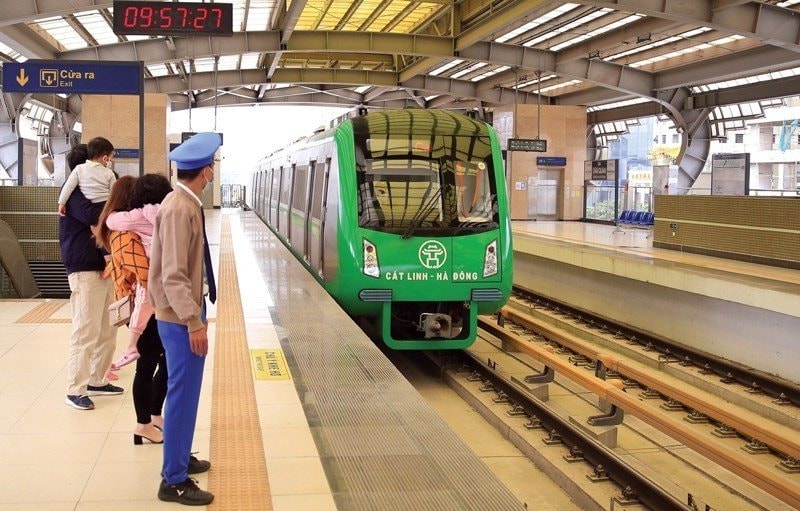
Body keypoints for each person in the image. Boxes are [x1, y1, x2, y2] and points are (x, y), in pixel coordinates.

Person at [150, 132, 220, 506]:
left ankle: (180, 458)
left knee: (187, 392)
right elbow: (173, 275)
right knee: (182, 393)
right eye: (214, 167)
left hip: (183, 313)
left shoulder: (183, 203)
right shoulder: (180, 209)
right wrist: (193, 322)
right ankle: (172, 480)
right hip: (179, 318)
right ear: (206, 171)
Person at [94, 174, 173, 446]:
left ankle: (153, 415)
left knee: (162, 362)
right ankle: (143, 424)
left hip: (149, 303)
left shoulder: (128, 227)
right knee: (148, 364)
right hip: (147, 304)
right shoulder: (125, 234)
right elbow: (143, 273)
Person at [60, 143, 123, 411]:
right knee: (86, 329)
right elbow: (92, 215)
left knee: (108, 327)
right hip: (84, 266)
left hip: (106, 265)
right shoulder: (75, 192)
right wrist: (116, 207)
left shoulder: (96, 189)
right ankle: (76, 389)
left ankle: (98, 379)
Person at [103, 175, 169, 371]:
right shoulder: (167, 212)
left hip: (148, 280)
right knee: (156, 361)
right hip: (166, 270)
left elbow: (111, 221)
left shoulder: (135, 218)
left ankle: (131, 346)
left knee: (147, 365)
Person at [58, 137, 116, 216]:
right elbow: (114, 191)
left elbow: (68, 187)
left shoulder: (79, 169)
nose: (110, 161)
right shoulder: (109, 173)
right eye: (110, 159)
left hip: (87, 202)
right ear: (105, 158)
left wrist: (62, 203)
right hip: (105, 204)